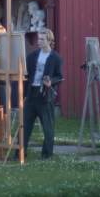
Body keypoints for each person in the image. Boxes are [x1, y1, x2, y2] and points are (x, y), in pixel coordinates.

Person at [23, 29, 62, 159]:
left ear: (49, 41)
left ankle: (47, 154)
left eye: (42, 39)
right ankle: (21, 152)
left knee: (48, 126)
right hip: (31, 93)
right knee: (25, 125)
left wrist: (51, 82)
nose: (39, 41)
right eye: (38, 39)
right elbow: (27, 75)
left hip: (45, 95)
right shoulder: (32, 56)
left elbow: (59, 76)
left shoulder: (55, 58)